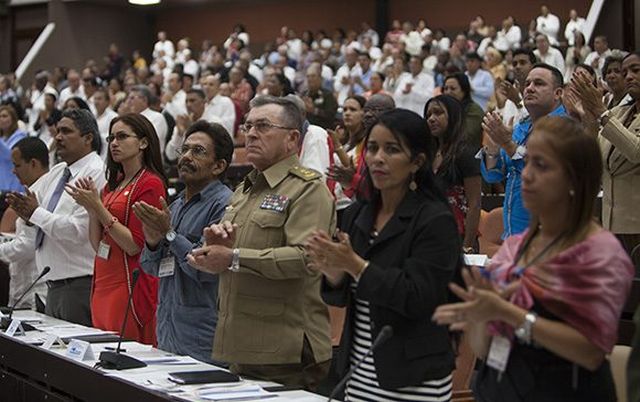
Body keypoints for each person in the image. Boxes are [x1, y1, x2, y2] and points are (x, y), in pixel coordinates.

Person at [433, 116, 634, 402]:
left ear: (575, 179)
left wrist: (509, 313)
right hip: (500, 388)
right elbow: (486, 346)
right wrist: (479, 315)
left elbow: (590, 351)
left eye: (541, 165)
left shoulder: (599, 252)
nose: (526, 175)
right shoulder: (515, 246)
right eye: (527, 163)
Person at [307, 108, 460, 401]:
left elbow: (418, 298)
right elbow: (341, 297)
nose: (377, 158)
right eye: (373, 148)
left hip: (413, 376)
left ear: (417, 162)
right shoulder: (356, 214)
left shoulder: (434, 220)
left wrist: (355, 266)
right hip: (360, 370)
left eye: (392, 150)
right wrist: (335, 274)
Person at [186, 95, 335, 389]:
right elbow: (244, 253)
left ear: (292, 138)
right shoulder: (246, 188)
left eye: (263, 126)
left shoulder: (307, 190)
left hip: (285, 351)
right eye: (248, 125)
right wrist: (222, 248)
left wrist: (233, 257)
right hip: (242, 344)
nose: (251, 133)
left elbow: (306, 258)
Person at [136, 121, 233, 363]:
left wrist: (168, 233)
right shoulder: (175, 205)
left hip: (202, 337)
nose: (187, 157)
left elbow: (204, 271)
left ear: (219, 165)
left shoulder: (225, 205)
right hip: (167, 332)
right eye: (185, 149)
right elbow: (151, 268)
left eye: (198, 151)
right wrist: (152, 240)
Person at [66, 113, 166, 344]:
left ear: (143, 142)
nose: (114, 143)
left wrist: (99, 208)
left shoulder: (150, 183)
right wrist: (91, 209)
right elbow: (96, 243)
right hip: (102, 280)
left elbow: (134, 246)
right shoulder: (113, 185)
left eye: (122, 137)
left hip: (128, 284)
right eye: (111, 138)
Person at [7, 109, 105, 326]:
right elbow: (33, 209)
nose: (58, 137)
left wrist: (35, 213)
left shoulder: (96, 171)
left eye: (66, 131)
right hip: (51, 283)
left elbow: (78, 232)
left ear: (88, 138)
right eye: (58, 131)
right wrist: (28, 214)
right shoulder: (60, 170)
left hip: (78, 284)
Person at [564, 51, 640, 271]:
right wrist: (587, 115)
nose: (629, 77)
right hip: (613, 223)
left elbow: (635, 151)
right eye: (625, 72)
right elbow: (593, 156)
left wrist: (600, 112)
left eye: (635, 70)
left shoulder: (609, 114)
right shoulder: (619, 112)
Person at [481, 64, 567, 239]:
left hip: (548, 235)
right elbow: (493, 175)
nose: (529, 88)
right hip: (514, 233)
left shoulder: (566, 126)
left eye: (538, 83)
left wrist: (507, 143)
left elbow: (542, 170)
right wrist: (493, 147)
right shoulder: (521, 126)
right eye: (527, 84)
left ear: (558, 93)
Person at [425, 95, 481, 253]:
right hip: (431, 234)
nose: (431, 119)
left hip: (459, 237)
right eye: (428, 115)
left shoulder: (466, 153)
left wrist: (467, 246)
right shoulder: (428, 155)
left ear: (454, 116)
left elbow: (474, 204)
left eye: (438, 113)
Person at [0, 138, 50, 310]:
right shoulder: (35, 190)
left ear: (34, 163)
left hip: (34, 290)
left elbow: (28, 246)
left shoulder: (41, 195)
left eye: (18, 165)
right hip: (23, 287)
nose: (13, 171)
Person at [442, 73, 484, 151]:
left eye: (453, 89)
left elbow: (466, 136)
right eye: (446, 88)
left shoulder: (474, 110)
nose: (448, 92)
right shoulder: (444, 109)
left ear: (464, 90)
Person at [0, 105, 27, 195]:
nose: (1, 119)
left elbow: (11, 155)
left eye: (4, 116)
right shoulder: (2, 138)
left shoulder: (20, 136)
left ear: (13, 119)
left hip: (14, 185)